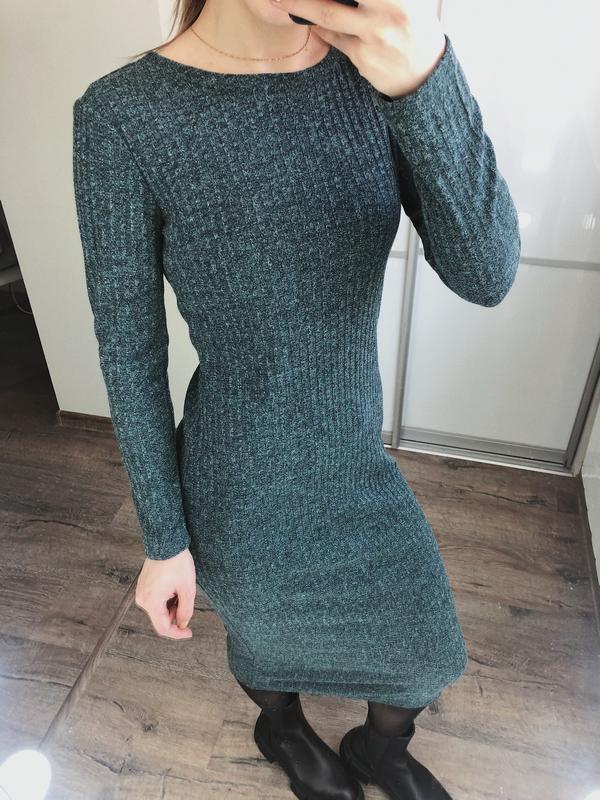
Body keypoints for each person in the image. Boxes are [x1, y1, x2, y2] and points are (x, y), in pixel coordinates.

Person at [71, 1, 521, 798]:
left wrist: (427, 83)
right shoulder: (123, 114)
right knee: (266, 639)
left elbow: (487, 275)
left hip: (357, 459)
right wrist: (163, 538)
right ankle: (279, 727)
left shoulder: (377, 78)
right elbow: (130, 352)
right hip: (241, 481)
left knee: (425, 653)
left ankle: (380, 749)